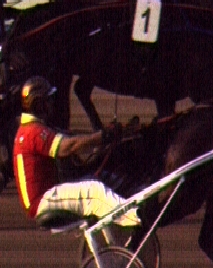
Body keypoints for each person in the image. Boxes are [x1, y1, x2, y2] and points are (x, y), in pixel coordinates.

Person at [11, 77, 139, 227]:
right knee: (94, 191)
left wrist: (107, 135)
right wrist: (103, 136)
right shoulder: (33, 132)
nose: (52, 103)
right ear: (38, 104)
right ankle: (138, 217)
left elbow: (73, 138)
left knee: (98, 179)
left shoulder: (35, 128)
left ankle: (135, 202)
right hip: (42, 201)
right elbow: (68, 146)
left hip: (47, 196)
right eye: (48, 100)